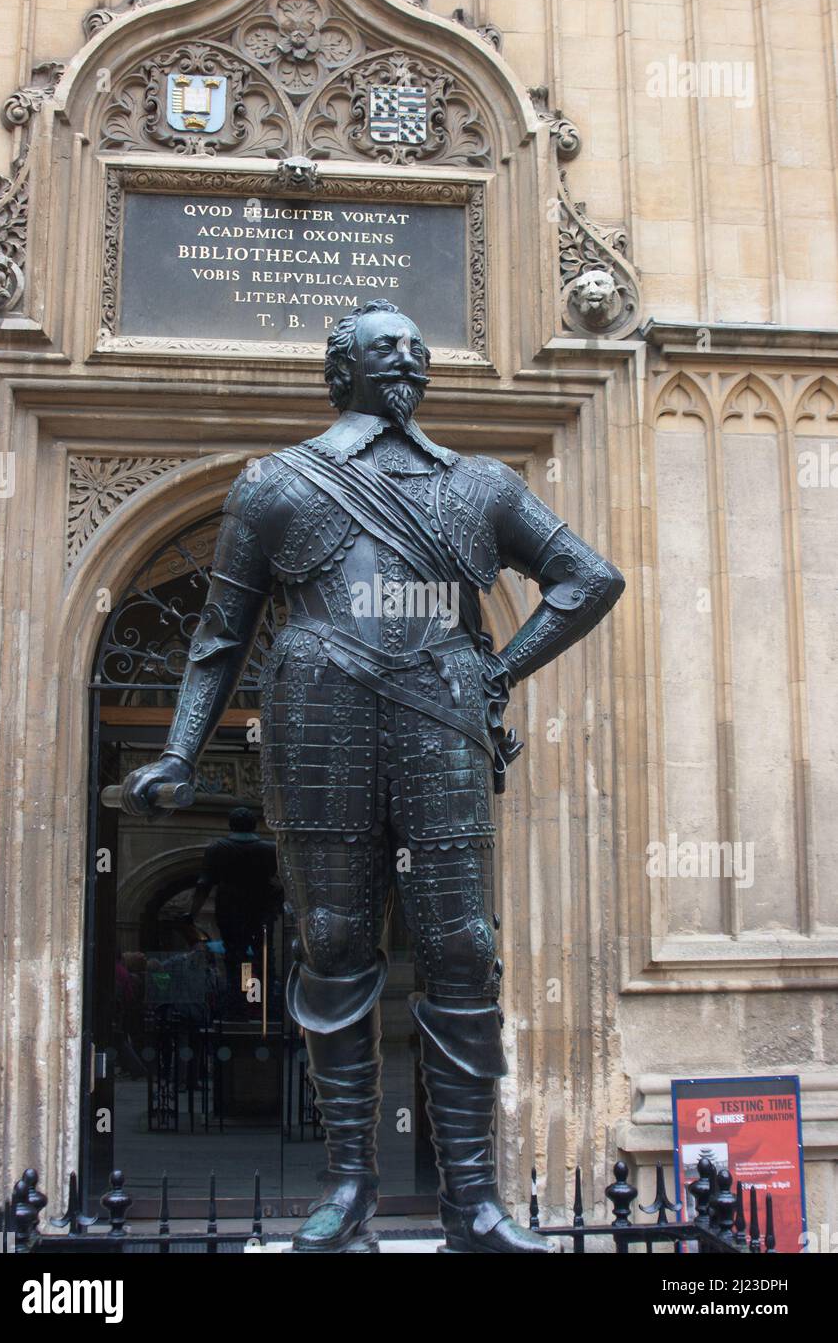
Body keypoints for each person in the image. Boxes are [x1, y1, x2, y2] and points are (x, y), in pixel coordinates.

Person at [118, 300, 624, 1253]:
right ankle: (348, 1187)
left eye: (417, 348)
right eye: (384, 346)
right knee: (337, 940)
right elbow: (219, 637)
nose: (408, 359)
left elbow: (589, 577)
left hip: (440, 716)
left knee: (464, 943)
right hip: (320, 713)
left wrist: (497, 671)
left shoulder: (480, 485)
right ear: (338, 369)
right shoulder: (277, 485)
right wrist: (183, 749)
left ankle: (472, 1200)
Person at [185, 807, 282, 1016]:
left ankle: (236, 1004)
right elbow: (284, 881)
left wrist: (192, 913)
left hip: (230, 908)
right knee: (265, 957)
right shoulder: (269, 848)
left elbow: (204, 884)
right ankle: (265, 1004)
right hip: (261, 909)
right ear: (255, 824)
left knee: (234, 957)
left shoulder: (217, 848)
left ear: (231, 825)